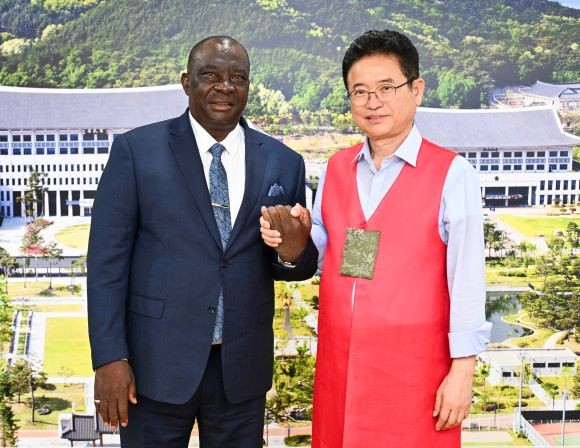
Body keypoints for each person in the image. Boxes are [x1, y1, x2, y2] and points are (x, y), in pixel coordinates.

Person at [260, 29, 491, 447]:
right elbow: (321, 251)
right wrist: (292, 238)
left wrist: (463, 371)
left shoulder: (453, 174)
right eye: (360, 92)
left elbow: (467, 280)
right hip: (340, 366)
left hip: (416, 370)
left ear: (416, 90)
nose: (373, 102)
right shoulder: (336, 168)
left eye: (387, 88)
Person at [87, 35, 317, 448]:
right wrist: (109, 357)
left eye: (237, 77)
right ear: (186, 82)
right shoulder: (136, 151)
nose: (225, 86)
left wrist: (294, 251)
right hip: (153, 366)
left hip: (240, 371)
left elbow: (292, 265)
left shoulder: (285, 161)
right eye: (210, 75)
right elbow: (106, 264)